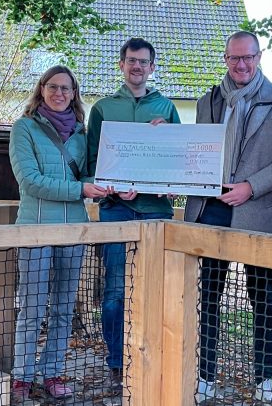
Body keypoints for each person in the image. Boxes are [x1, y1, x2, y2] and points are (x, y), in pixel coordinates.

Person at [184, 31, 272, 404]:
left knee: (263, 299)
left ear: (259, 56)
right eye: (234, 58)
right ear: (225, 59)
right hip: (211, 210)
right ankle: (204, 376)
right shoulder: (208, 102)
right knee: (208, 299)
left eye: (248, 57)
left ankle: (266, 379)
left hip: (257, 211)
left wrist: (250, 186)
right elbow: (194, 153)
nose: (242, 65)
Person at [86, 37, 181, 392]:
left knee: (157, 288)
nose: (137, 66)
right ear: (121, 64)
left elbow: (176, 162)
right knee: (113, 292)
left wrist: (165, 157)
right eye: (131, 61)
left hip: (156, 213)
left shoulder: (166, 108)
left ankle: (153, 358)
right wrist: (111, 184)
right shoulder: (103, 108)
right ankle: (116, 362)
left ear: (152, 67)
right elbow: (94, 161)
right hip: (116, 211)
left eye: (143, 61)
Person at [9, 65, 107, 402]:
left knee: (65, 307)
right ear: (41, 89)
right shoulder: (24, 129)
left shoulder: (82, 133)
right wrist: (81, 189)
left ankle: (51, 372)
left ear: (74, 93)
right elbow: (31, 181)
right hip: (35, 228)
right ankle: (21, 376)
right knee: (32, 308)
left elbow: (98, 172)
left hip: (73, 230)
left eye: (66, 88)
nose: (59, 93)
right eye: (53, 87)